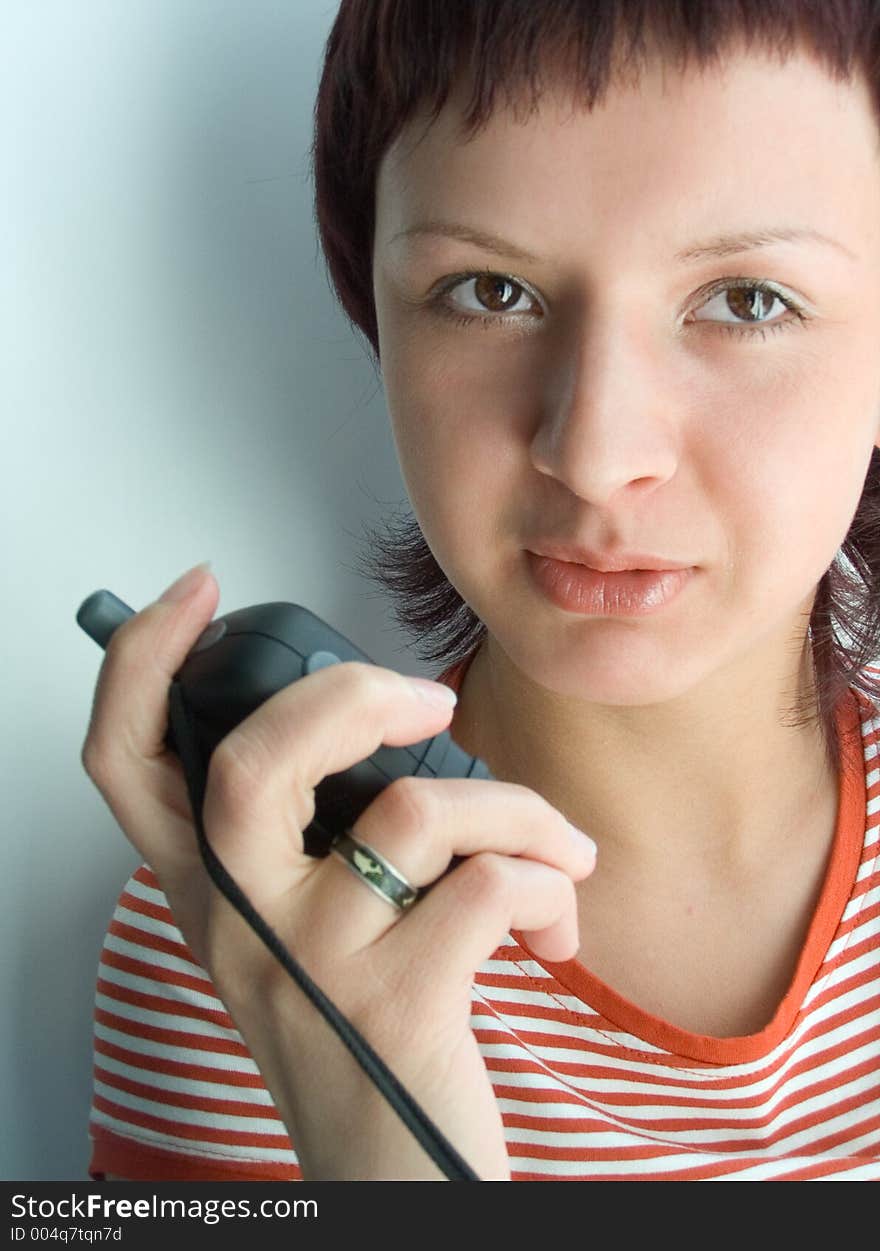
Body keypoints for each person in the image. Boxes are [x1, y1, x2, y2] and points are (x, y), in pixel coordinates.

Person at [81, 0, 880, 1181]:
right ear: (378, 320)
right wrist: (366, 1127)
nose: (596, 452)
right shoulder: (237, 941)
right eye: (490, 292)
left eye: (747, 301)